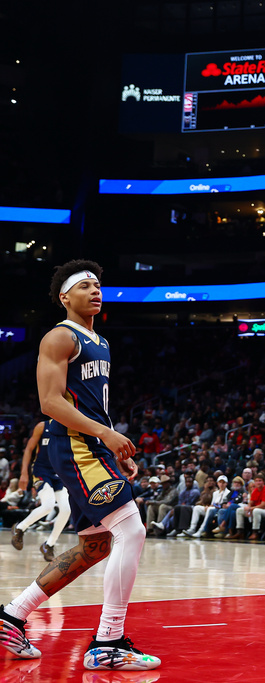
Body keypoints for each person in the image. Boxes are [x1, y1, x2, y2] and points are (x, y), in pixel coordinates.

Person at [1, 261, 159, 670]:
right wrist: (106, 437)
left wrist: (113, 451)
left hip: (91, 447)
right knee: (131, 529)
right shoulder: (59, 336)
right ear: (64, 298)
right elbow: (50, 403)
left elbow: (91, 404)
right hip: (74, 446)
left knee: (96, 545)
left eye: (98, 285)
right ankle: (109, 641)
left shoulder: (101, 341)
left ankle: (12, 615)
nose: (95, 290)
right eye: (84, 285)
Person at [12, 420, 72, 562]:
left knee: (66, 509)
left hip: (59, 473)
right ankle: (20, 528)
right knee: (48, 505)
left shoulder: (70, 428)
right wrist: (24, 473)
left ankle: (49, 545)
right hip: (41, 471)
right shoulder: (42, 426)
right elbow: (28, 449)